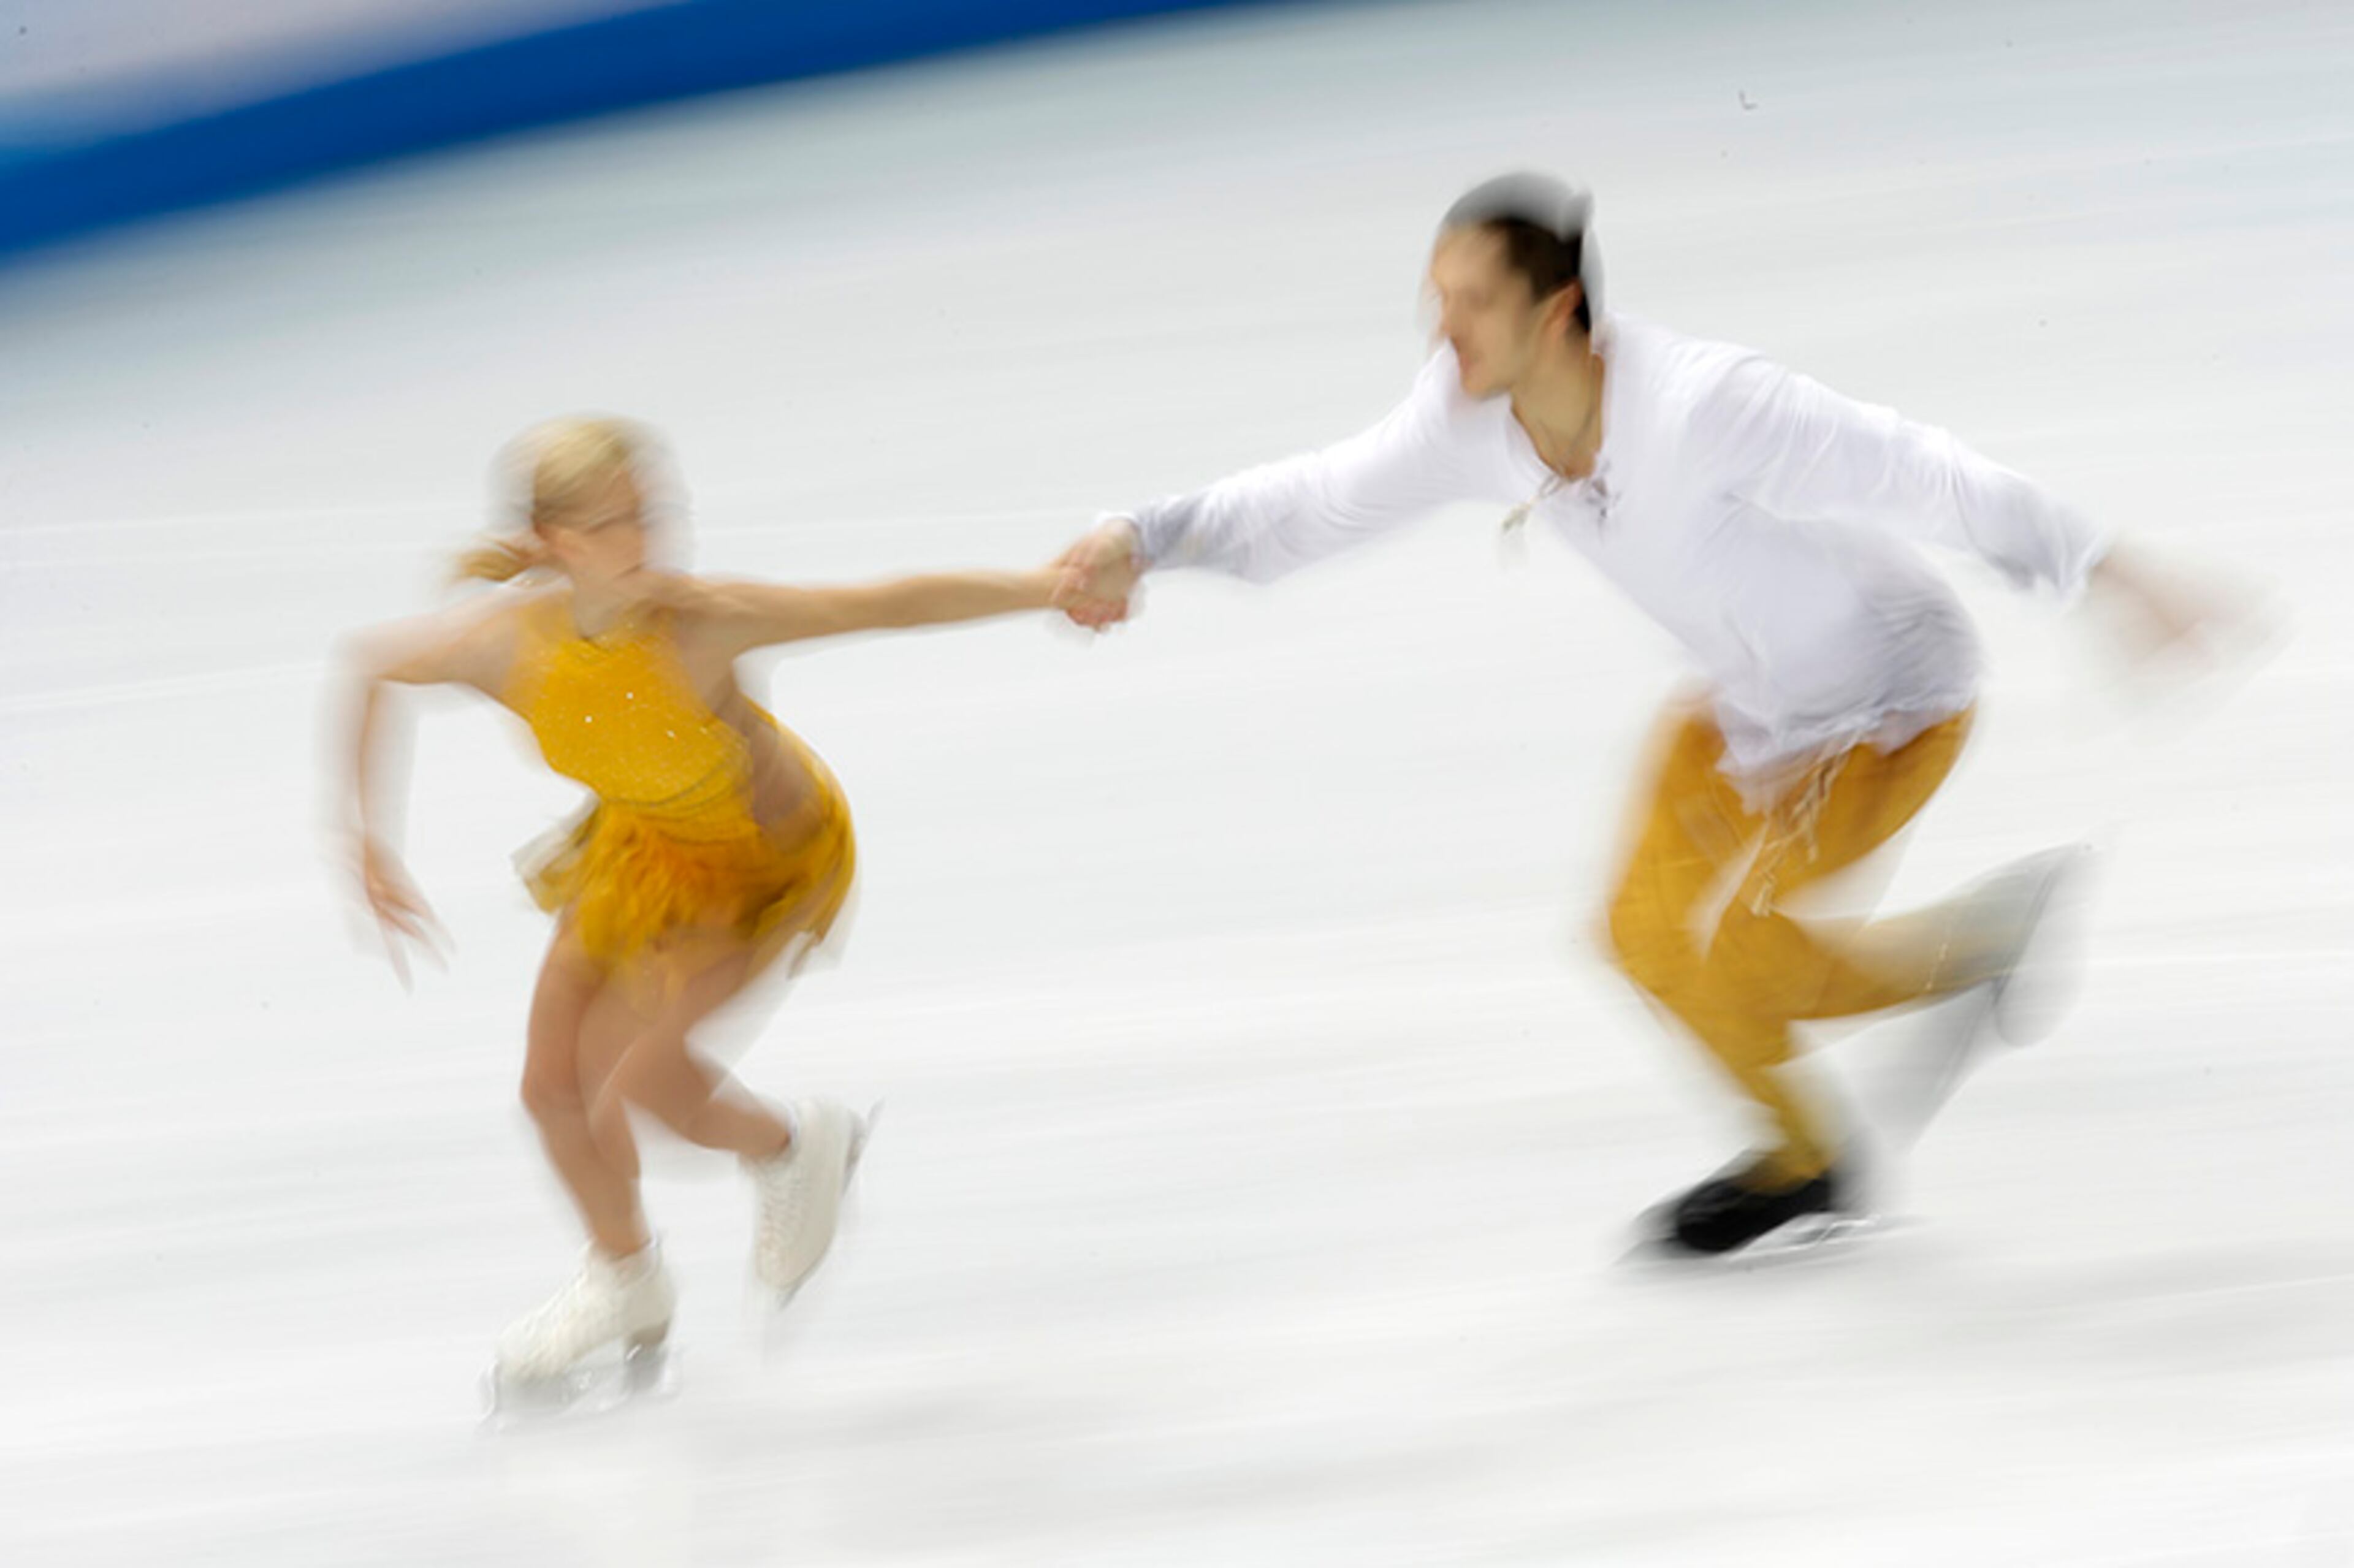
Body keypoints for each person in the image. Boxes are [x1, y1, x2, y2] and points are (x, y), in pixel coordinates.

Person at [1053, 173, 2230, 1256]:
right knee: (1643, 937)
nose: (1441, 329)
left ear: (1558, 309)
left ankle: (1963, 961)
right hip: (1748, 702)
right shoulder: (1469, 414)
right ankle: (1821, 1146)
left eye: (1468, 302)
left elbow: (1924, 471)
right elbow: (1315, 500)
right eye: (1435, 300)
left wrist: (2107, 572)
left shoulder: (1708, 406)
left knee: (1746, 956)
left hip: (1886, 703)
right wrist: (1143, 535)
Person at [338, 416, 1075, 1388]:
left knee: (637, 1077)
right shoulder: (501, 645)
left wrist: (1046, 586)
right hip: (639, 847)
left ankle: (795, 1146)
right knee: (551, 1091)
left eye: (653, 513)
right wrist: (363, 837)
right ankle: (625, 1280)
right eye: (615, 524)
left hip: (759, 858)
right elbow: (369, 667)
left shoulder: (701, 621)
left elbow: (881, 604)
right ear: (555, 542)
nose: (646, 542)